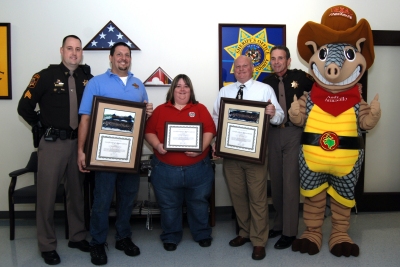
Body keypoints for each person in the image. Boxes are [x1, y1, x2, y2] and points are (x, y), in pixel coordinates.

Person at [17, 35, 93, 265]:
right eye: (70, 49)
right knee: (47, 196)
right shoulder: (45, 76)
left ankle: (77, 236)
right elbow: (24, 107)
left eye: (78, 49)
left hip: (78, 144)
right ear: (61, 50)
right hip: (53, 144)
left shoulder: (87, 79)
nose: (74, 53)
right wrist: (40, 125)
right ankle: (47, 244)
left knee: (76, 194)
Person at [77, 42, 153, 266]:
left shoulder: (138, 84)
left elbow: (141, 122)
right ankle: (98, 242)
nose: (123, 58)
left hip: (130, 155)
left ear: (130, 59)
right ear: (110, 58)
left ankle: (123, 237)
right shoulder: (96, 83)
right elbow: (85, 119)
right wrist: (81, 151)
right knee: (102, 199)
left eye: (127, 55)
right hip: (103, 154)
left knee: (128, 197)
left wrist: (147, 112)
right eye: (119, 54)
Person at [212, 55, 284, 260]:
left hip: (256, 154)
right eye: (238, 67)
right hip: (231, 153)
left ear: (252, 68)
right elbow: (217, 117)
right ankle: (244, 232)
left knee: (257, 196)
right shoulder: (225, 92)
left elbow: (280, 117)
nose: (241, 70)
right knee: (238, 195)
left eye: (245, 66)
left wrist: (272, 112)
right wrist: (217, 143)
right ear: (233, 70)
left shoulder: (264, 90)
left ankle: (259, 240)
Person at [144, 74, 216, 251]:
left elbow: (210, 131)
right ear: (172, 90)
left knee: (199, 203)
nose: (182, 89)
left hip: (198, 169)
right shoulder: (161, 110)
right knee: (169, 205)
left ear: (191, 90)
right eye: (178, 86)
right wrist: (157, 145)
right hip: (166, 169)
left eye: (186, 86)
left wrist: (201, 147)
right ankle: (170, 236)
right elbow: (148, 132)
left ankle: (202, 233)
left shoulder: (200, 109)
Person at [262, 46, 314, 250]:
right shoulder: (266, 82)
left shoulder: (301, 77)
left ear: (288, 60)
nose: (276, 62)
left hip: (294, 133)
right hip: (273, 134)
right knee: (276, 182)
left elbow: (322, 91)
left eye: (280, 58)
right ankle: (279, 224)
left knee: (291, 183)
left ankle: (290, 232)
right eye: (273, 59)